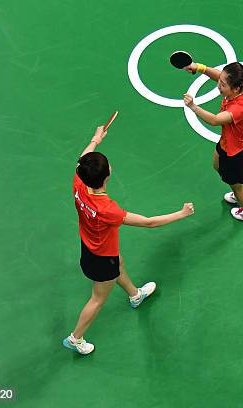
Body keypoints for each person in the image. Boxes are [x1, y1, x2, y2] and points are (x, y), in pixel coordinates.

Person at [64, 125, 195, 355]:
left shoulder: (79, 183)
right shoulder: (108, 209)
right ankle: (76, 338)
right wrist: (181, 214)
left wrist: (96, 139)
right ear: (107, 176)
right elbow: (149, 222)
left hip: (90, 248)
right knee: (97, 299)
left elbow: (83, 159)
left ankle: (135, 295)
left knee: (120, 264)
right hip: (102, 258)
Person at [182, 61, 243, 223]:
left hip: (235, 152)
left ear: (235, 88)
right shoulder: (240, 86)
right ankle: (235, 188)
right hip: (226, 142)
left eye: (223, 85)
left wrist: (193, 106)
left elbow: (215, 120)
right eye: (220, 81)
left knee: (238, 185)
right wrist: (198, 67)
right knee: (217, 164)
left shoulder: (239, 107)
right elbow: (219, 75)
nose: (219, 85)